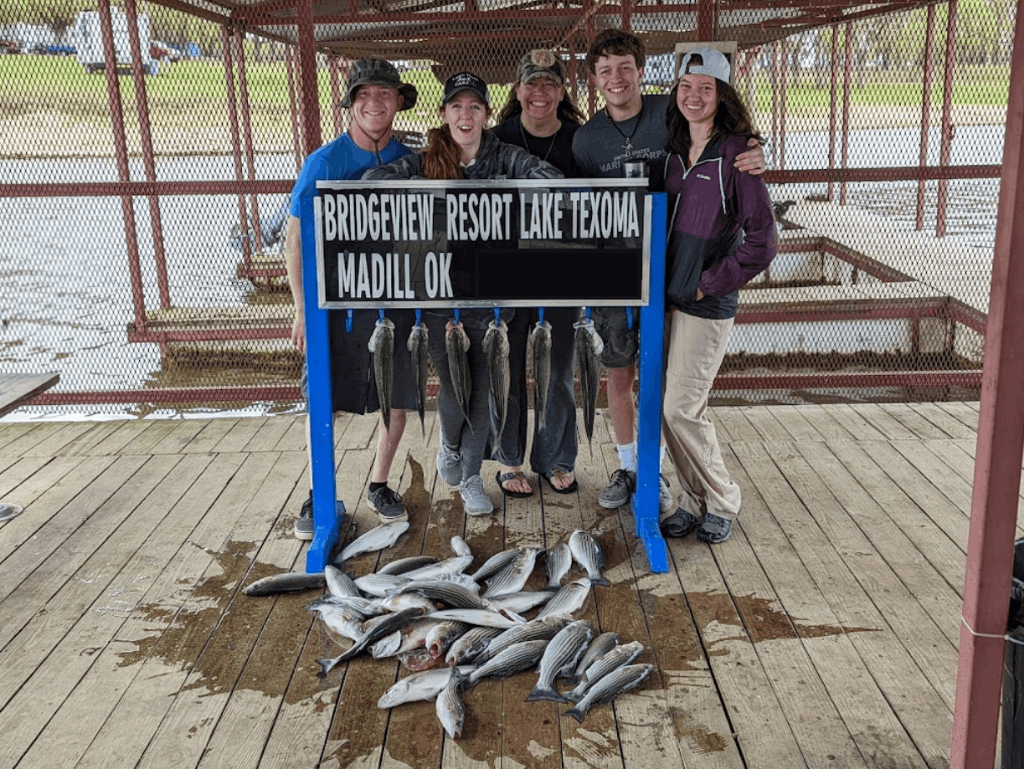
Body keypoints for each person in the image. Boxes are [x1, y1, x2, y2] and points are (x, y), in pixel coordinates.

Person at [571, 29, 766, 514]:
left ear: (641, 71)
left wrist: (756, 148)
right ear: (594, 80)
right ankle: (630, 467)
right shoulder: (587, 138)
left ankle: (672, 484)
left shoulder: (672, 112)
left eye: (625, 68)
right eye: (605, 71)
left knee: (668, 393)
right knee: (620, 373)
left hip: (674, 278)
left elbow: (723, 135)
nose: (616, 79)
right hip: (616, 271)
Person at [364, 71, 562, 516]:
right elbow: (375, 180)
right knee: (455, 386)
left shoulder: (506, 156)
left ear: (486, 114)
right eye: (457, 106)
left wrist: (497, 196)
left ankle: (470, 476)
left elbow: (550, 177)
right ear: (444, 113)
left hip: (496, 297)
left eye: (474, 107)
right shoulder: (425, 158)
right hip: (439, 293)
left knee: (486, 391)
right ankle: (449, 448)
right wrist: (433, 194)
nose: (465, 115)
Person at [285, 59, 419, 539]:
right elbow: (296, 237)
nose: (375, 102)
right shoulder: (323, 161)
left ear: (399, 101)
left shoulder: (413, 159)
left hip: (398, 298)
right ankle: (321, 491)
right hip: (336, 305)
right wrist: (301, 307)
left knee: (398, 399)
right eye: (364, 94)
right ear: (350, 103)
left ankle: (380, 483)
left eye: (385, 93)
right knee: (325, 400)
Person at [657, 47, 777, 544]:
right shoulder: (670, 152)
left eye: (706, 88)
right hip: (665, 299)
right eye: (687, 86)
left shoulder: (735, 155)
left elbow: (763, 242)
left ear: (722, 95)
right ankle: (694, 499)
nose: (694, 96)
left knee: (681, 407)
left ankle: (723, 498)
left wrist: (710, 281)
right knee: (665, 406)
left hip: (705, 302)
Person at [489, 49, 586, 498]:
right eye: (532, 83)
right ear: (518, 90)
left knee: (561, 369)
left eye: (549, 83)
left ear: (562, 90)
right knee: (505, 365)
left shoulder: (581, 140)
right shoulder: (496, 138)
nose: (540, 92)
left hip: (564, 273)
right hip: (507, 272)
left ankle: (556, 459)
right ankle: (509, 460)